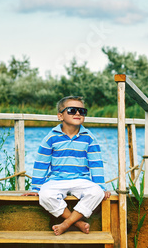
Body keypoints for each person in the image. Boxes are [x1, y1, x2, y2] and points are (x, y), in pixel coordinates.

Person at [22, 96, 111, 236]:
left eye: (82, 111)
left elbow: (96, 164)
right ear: (60, 116)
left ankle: (66, 223)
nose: (77, 113)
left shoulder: (89, 138)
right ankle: (78, 223)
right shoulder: (51, 138)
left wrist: (100, 186)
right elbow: (41, 164)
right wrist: (36, 188)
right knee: (45, 195)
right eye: (72, 110)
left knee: (97, 193)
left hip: (81, 180)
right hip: (56, 180)